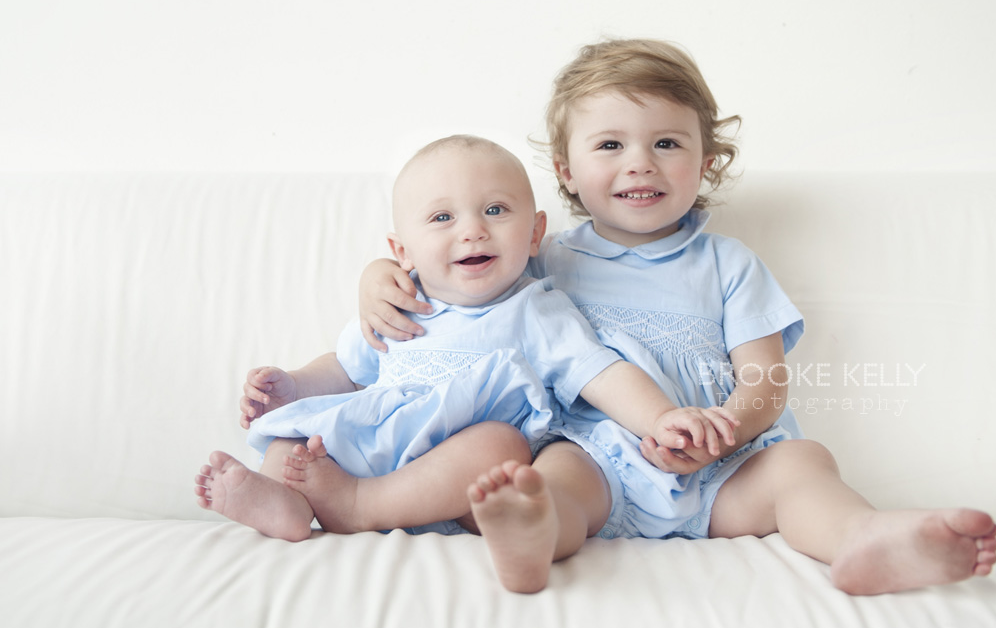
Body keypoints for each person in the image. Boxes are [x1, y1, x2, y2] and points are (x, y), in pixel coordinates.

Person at [358, 39, 996, 595]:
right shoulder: (538, 256)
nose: (639, 162)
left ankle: (861, 538)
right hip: (596, 457)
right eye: (610, 144)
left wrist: (725, 432)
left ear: (706, 163)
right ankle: (531, 536)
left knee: (804, 464)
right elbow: (456, 286)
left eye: (666, 142)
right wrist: (378, 276)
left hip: (723, 471)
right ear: (566, 172)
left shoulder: (729, 264)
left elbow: (766, 382)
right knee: (547, 479)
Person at [194, 134, 737, 552]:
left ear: (534, 234)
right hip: (368, 445)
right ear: (402, 251)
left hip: (452, 474)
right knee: (297, 436)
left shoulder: (536, 309)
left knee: (502, 445)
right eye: (442, 218)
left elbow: (601, 373)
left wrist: (661, 417)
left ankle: (363, 506)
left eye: (495, 210)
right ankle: (282, 504)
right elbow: (347, 368)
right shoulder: (397, 300)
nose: (472, 230)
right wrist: (292, 385)